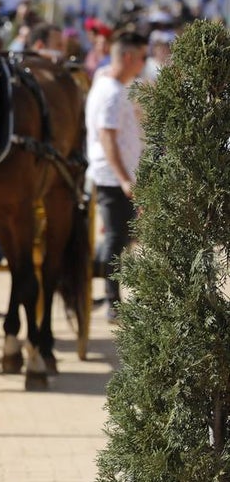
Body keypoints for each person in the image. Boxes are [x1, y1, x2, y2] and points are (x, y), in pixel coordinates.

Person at [85, 32, 146, 322]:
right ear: (129, 57)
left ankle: (113, 297)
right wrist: (124, 178)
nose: (144, 64)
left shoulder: (112, 85)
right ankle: (112, 300)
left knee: (121, 238)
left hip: (118, 174)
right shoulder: (109, 90)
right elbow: (106, 138)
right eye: (142, 57)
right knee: (115, 238)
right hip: (112, 176)